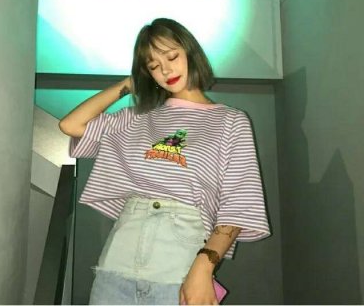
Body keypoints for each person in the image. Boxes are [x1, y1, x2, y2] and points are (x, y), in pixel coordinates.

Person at [59, 18, 270, 305]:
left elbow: (238, 204)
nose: (166, 70)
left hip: (180, 264)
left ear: (190, 53)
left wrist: (204, 266)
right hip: (117, 263)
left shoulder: (231, 121)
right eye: (153, 66)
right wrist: (128, 85)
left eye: (171, 56)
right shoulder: (137, 118)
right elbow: (71, 125)